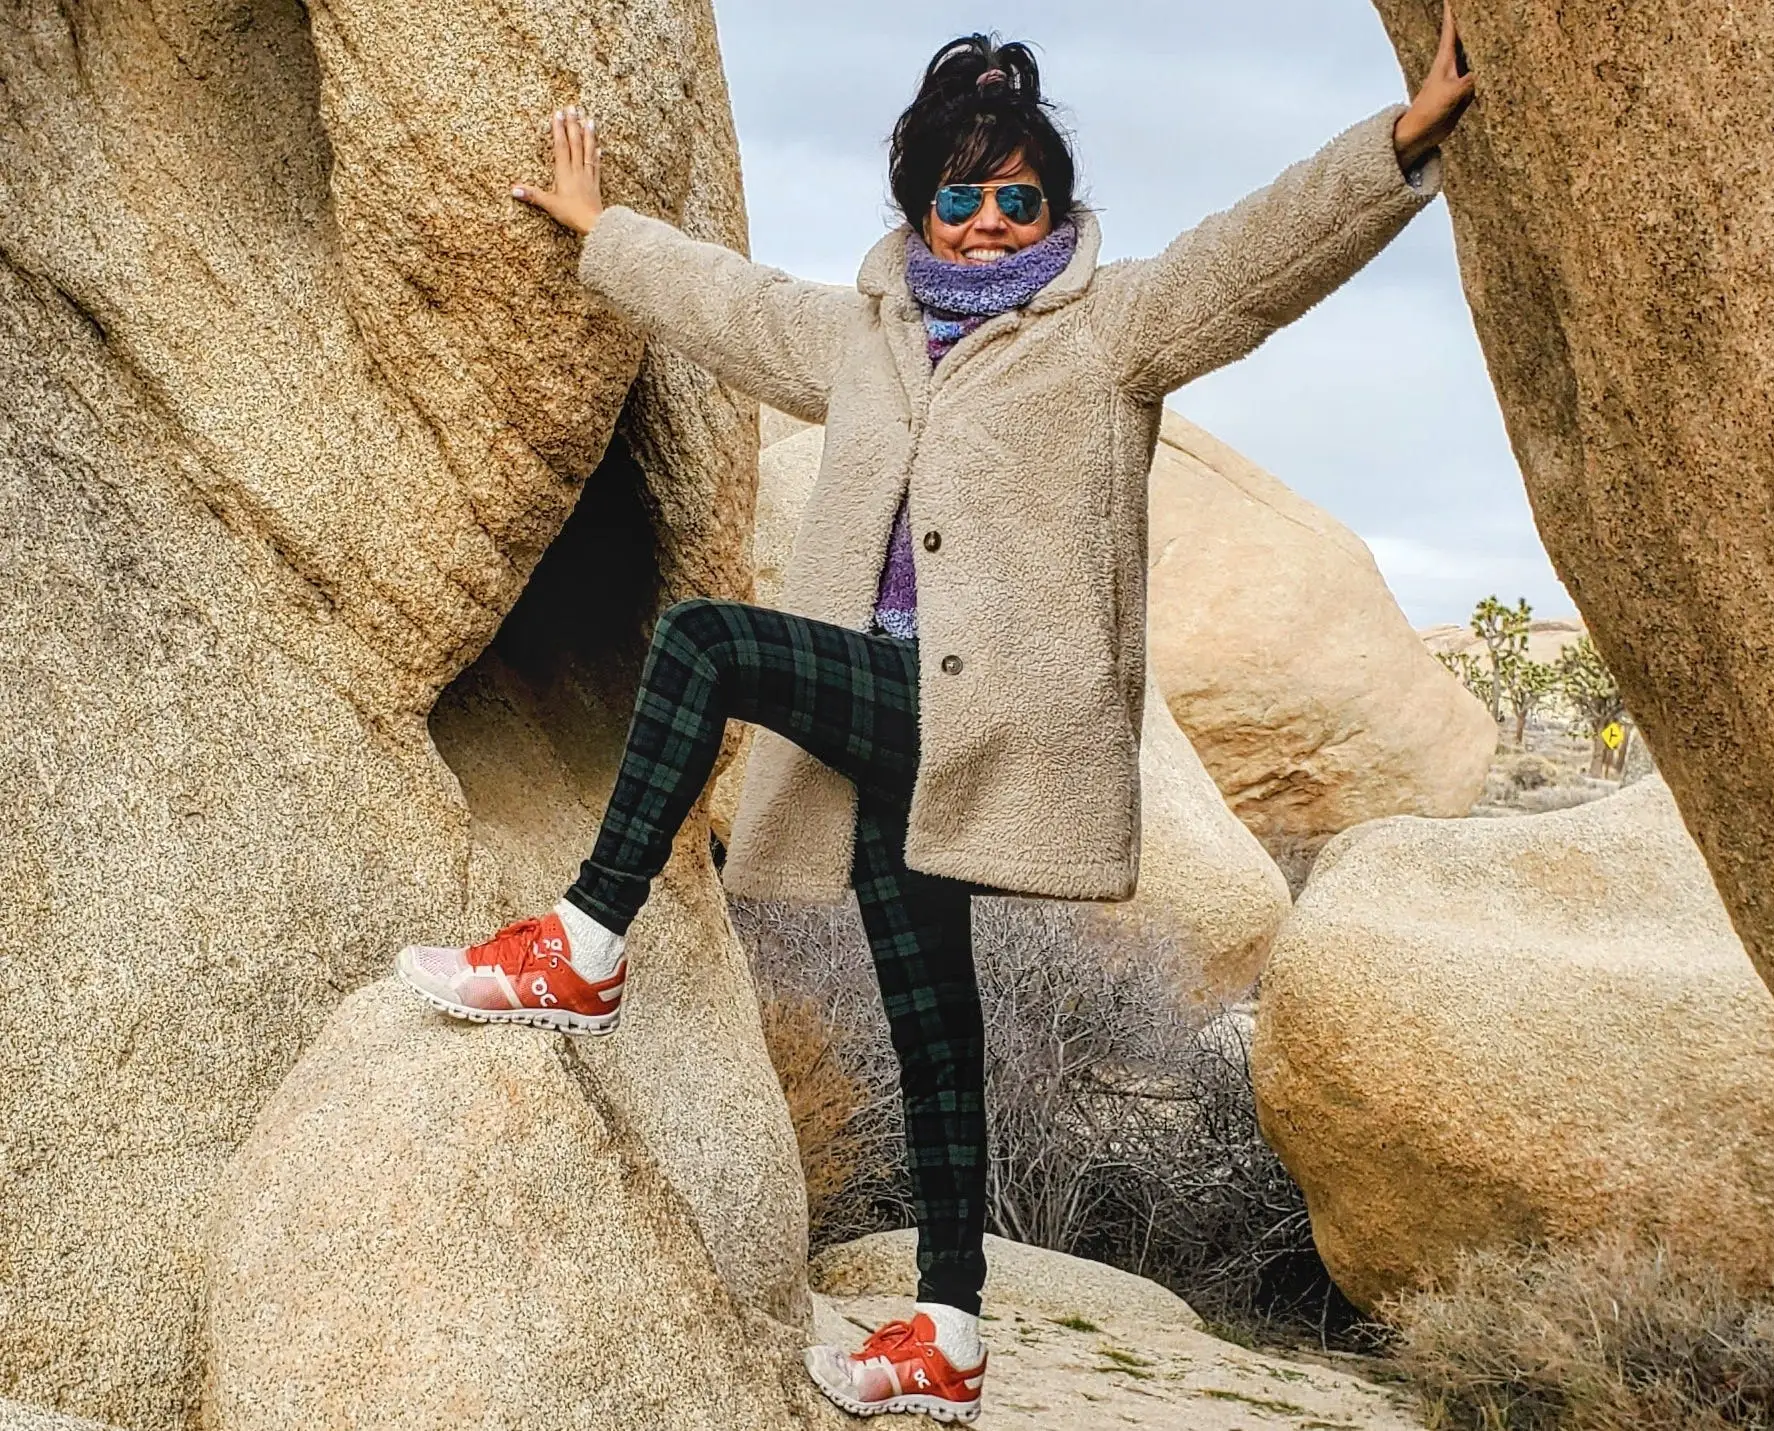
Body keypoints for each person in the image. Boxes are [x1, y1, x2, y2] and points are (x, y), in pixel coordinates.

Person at [396, 10, 1473, 1422]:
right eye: (954, 194)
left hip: (986, 720)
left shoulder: (1111, 330)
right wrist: (606, 231)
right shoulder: (869, 337)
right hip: (898, 729)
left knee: (716, 643)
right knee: (935, 1028)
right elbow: (732, 303)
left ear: (1055, 205)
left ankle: (587, 944)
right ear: (918, 202)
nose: (980, 222)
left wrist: (1389, 149)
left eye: (1013, 195)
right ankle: (949, 1335)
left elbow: (1252, 256)